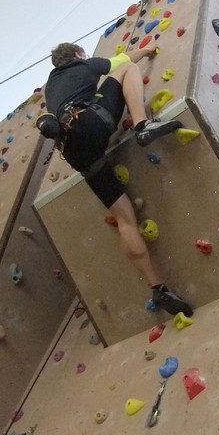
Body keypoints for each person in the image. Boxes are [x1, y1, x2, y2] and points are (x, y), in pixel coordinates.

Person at [36, 42, 193, 318]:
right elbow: (122, 59)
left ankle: (158, 287)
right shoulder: (83, 65)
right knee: (127, 68)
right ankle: (144, 125)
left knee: (125, 218)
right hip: (89, 124)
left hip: (75, 153)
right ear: (77, 55)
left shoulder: (52, 88)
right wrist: (147, 51)